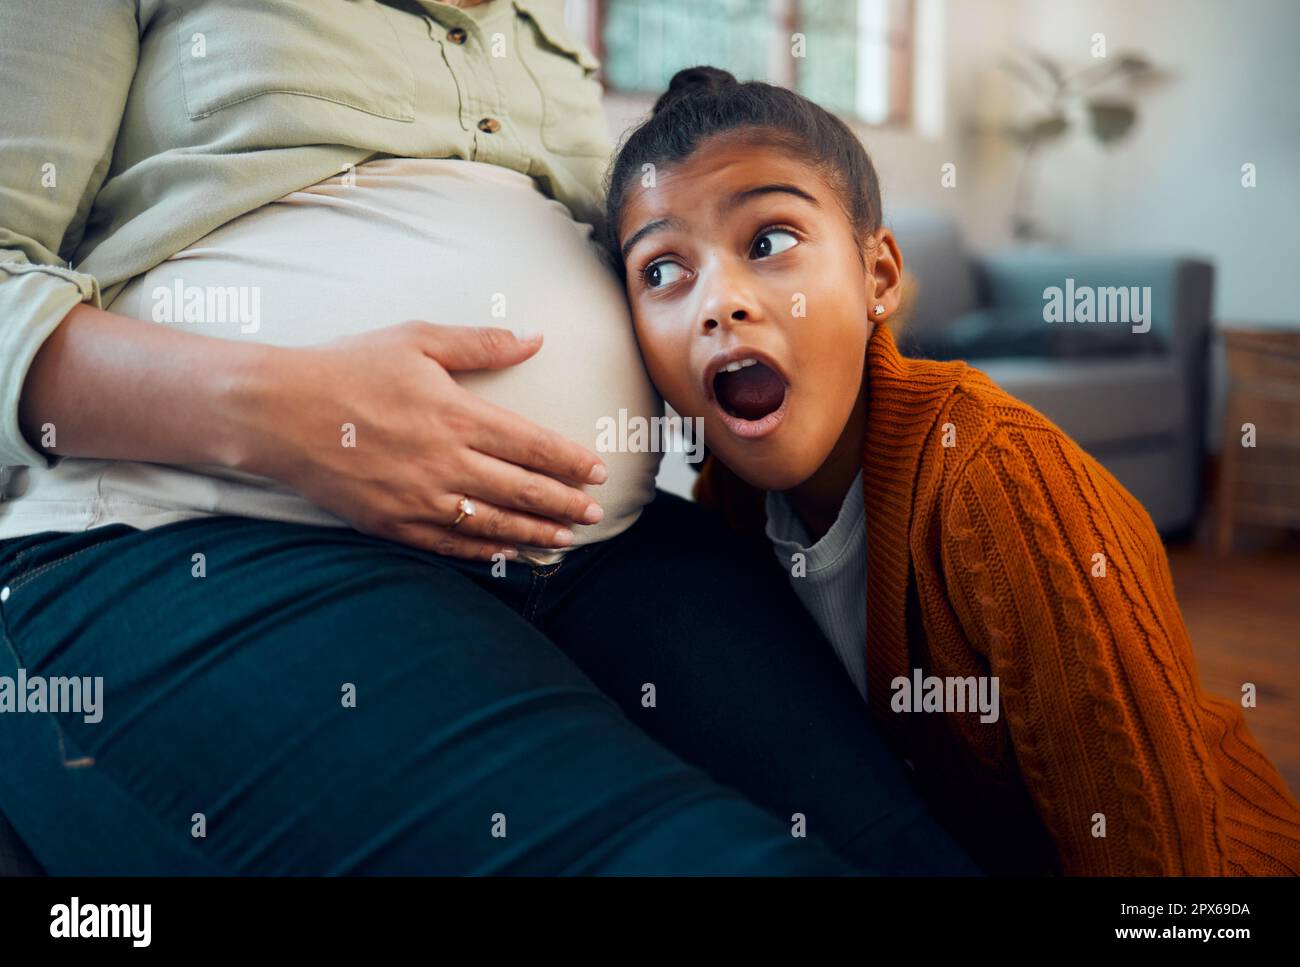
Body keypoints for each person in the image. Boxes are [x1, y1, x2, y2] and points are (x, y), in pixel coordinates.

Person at [0, 2, 976, 874]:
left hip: (603, 549)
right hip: (205, 536)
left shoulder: (545, 38)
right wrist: (289, 413)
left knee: (917, 847)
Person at [604, 65, 1300, 876]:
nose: (718, 301)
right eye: (662, 270)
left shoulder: (995, 481)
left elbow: (1163, 870)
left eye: (770, 241)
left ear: (880, 278)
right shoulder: (727, 508)